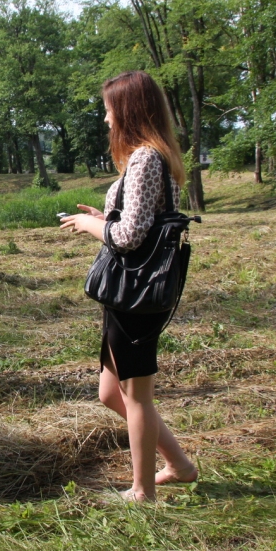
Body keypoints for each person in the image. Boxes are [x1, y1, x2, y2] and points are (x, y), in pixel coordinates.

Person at [60, 71, 197, 502]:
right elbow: (139, 225)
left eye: (109, 109)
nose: (105, 119)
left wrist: (90, 225)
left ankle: (143, 492)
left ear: (129, 111)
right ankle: (179, 463)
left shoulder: (144, 159)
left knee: (137, 396)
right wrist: (103, 219)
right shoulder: (151, 157)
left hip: (136, 295)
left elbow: (129, 238)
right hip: (132, 291)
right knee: (109, 392)